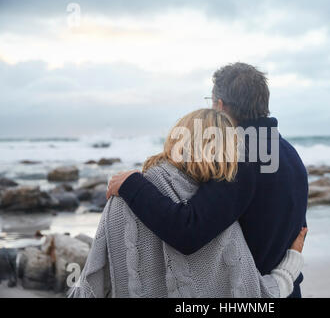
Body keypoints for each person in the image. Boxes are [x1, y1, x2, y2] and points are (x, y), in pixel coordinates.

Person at [107, 63, 309, 297]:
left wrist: (133, 185)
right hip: (286, 288)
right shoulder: (289, 153)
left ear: (220, 106)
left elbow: (188, 231)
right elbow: (298, 228)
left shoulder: (239, 155)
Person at [69, 109, 307, 298]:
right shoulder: (219, 224)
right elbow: (261, 295)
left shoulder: (122, 194)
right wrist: (292, 261)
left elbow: (92, 281)